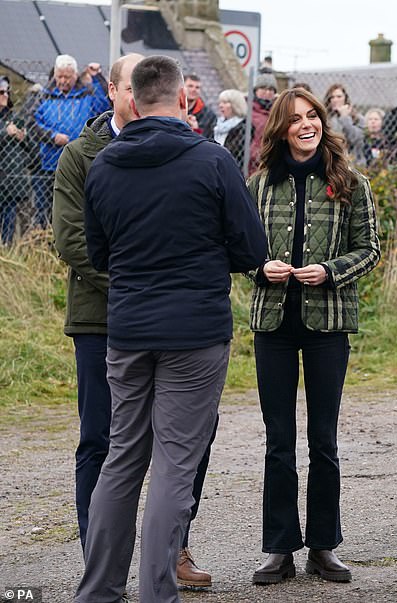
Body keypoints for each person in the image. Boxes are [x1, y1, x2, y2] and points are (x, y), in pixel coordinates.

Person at [73, 55, 267, 602]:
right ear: (184, 100)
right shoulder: (211, 161)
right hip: (195, 332)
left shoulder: (104, 165)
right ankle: (158, 592)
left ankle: (99, 591)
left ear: (131, 100)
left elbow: (98, 252)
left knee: (121, 459)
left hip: (129, 328)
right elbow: (252, 248)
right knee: (175, 465)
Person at [53, 52, 219, 588]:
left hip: (153, 317)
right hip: (105, 321)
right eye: (127, 86)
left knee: (180, 448)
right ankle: (101, 566)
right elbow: (76, 242)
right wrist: (137, 283)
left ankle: (171, 554)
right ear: (117, 92)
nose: (135, 95)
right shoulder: (84, 156)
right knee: (105, 444)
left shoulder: (192, 152)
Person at [248, 87, 380, 585]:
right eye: (296, 119)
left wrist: (329, 270)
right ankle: (279, 548)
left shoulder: (351, 182)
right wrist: (262, 269)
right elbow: (240, 250)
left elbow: (370, 249)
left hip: (329, 326)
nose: (307, 125)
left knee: (323, 439)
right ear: (280, 128)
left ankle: (324, 546)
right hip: (273, 326)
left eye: (314, 116)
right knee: (278, 440)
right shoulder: (258, 185)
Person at [31, 54, 109, 229]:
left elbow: (106, 105)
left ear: (75, 76)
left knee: (76, 209)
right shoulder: (44, 96)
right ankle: (44, 238)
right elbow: (33, 122)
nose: (63, 81)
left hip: (79, 164)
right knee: (45, 209)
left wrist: (97, 77)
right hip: (48, 165)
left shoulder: (87, 96)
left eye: (67, 77)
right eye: (59, 76)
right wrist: (52, 136)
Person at [0, 76, 31, 244]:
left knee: (9, 228)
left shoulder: (15, 119)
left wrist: (23, 137)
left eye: (7, 91)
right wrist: (6, 133)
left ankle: (7, 254)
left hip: (12, 182)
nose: (5, 95)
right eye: (1, 92)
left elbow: (31, 147)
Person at [323, 83, 365, 165]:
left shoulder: (358, 118)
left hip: (354, 161)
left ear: (345, 98)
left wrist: (344, 117)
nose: (335, 100)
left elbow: (355, 139)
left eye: (339, 96)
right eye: (332, 97)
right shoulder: (325, 118)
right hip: (331, 160)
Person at [249, 71, 277, 175]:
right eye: (263, 88)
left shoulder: (279, 111)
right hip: (251, 163)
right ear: (256, 91)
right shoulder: (247, 110)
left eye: (271, 89)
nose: (267, 92)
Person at [214, 88, 248, 165]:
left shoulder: (244, 128)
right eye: (220, 102)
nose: (220, 105)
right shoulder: (216, 124)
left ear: (235, 105)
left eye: (225, 102)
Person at [184, 73, 216, 140]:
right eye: (190, 86)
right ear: (182, 87)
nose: (194, 90)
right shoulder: (172, 109)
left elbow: (208, 141)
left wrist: (196, 130)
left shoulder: (209, 115)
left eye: (197, 87)